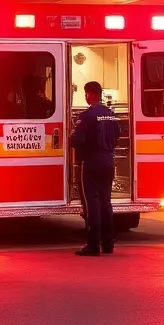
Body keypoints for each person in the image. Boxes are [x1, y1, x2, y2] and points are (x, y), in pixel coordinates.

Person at [69, 80, 119, 256]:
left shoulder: (87, 116)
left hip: (91, 162)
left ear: (89, 94)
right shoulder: (111, 114)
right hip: (108, 160)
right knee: (106, 201)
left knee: (92, 203)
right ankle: (108, 243)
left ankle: (93, 244)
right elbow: (117, 135)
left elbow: (77, 140)